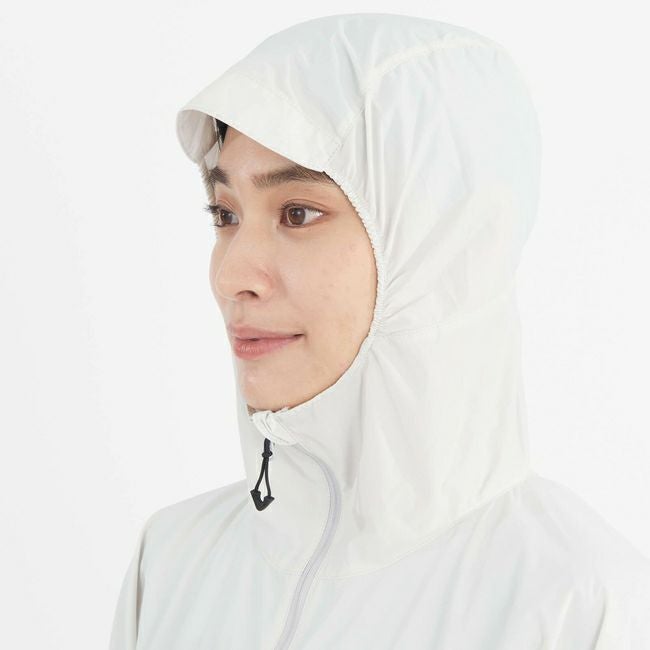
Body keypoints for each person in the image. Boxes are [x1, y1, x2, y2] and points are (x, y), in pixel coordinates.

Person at [110, 13, 650, 649]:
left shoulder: (575, 607)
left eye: (297, 213)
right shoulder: (171, 564)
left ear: (437, 245)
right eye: (224, 214)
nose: (230, 276)